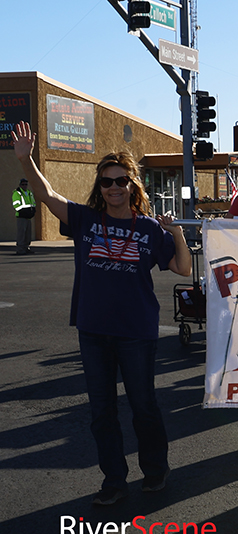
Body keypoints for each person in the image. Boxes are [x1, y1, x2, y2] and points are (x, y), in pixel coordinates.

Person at [12, 121, 192, 505]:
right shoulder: (85, 220)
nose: (113, 187)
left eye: (120, 181)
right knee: (102, 412)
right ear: (100, 187)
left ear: (132, 186)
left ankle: (156, 472)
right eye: (107, 182)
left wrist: (174, 231)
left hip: (136, 332)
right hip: (93, 331)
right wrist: (26, 160)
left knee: (143, 407)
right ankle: (113, 480)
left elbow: (183, 268)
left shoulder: (147, 228)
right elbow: (45, 194)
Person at [12, 178, 36, 255]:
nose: (24, 186)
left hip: (28, 217)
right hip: (21, 217)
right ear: (20, 185)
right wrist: (24, 212)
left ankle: (26, 248)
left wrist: (33, 211)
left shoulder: (29, 193)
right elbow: (16, 205)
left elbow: (33, 203)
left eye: (26, 184)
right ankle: (20, 249)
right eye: (23, 184)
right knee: (21, 234)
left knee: (28, 234)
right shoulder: (17, 193)